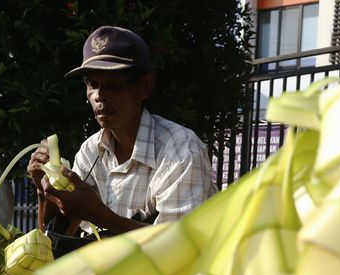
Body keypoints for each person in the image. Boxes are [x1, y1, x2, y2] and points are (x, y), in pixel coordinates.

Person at [27, 25, 216, 246]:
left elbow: (178, 247)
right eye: (92, 84)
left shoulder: (180, 149)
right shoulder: (91, 151)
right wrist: (45, 193)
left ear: (145, 86)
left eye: (113, 84)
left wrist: (100, 216)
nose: (99, 96)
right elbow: (51, 241)